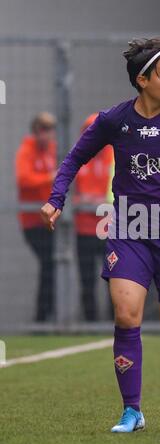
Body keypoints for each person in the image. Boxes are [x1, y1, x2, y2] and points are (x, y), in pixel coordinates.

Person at [41, 38, 160, 433]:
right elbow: (75, 157)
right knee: (126, 314)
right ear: (143, 80)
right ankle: (132, 411)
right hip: (129, 230)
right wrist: (57, 198)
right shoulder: (114, 120)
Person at [16, 112, 57, 322]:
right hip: (33, 222)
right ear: (36, 130)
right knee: (48, 263)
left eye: (50, 129)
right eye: (44, 129)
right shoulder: (27, 150)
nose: (48, 134)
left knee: (52, 265)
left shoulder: (51, 150)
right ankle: (42, 317)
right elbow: (24, 179)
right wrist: (48, 178)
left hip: (48, 219)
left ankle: (47, 315)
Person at [74, 114, 114, 321]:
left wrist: (97, 201)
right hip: (84, 228)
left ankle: (114, 322)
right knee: (87, 280)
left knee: (113, 279)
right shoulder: (79, 158)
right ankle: (90, 321)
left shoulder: (113, 156)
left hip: (109, 230)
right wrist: (83, 201)